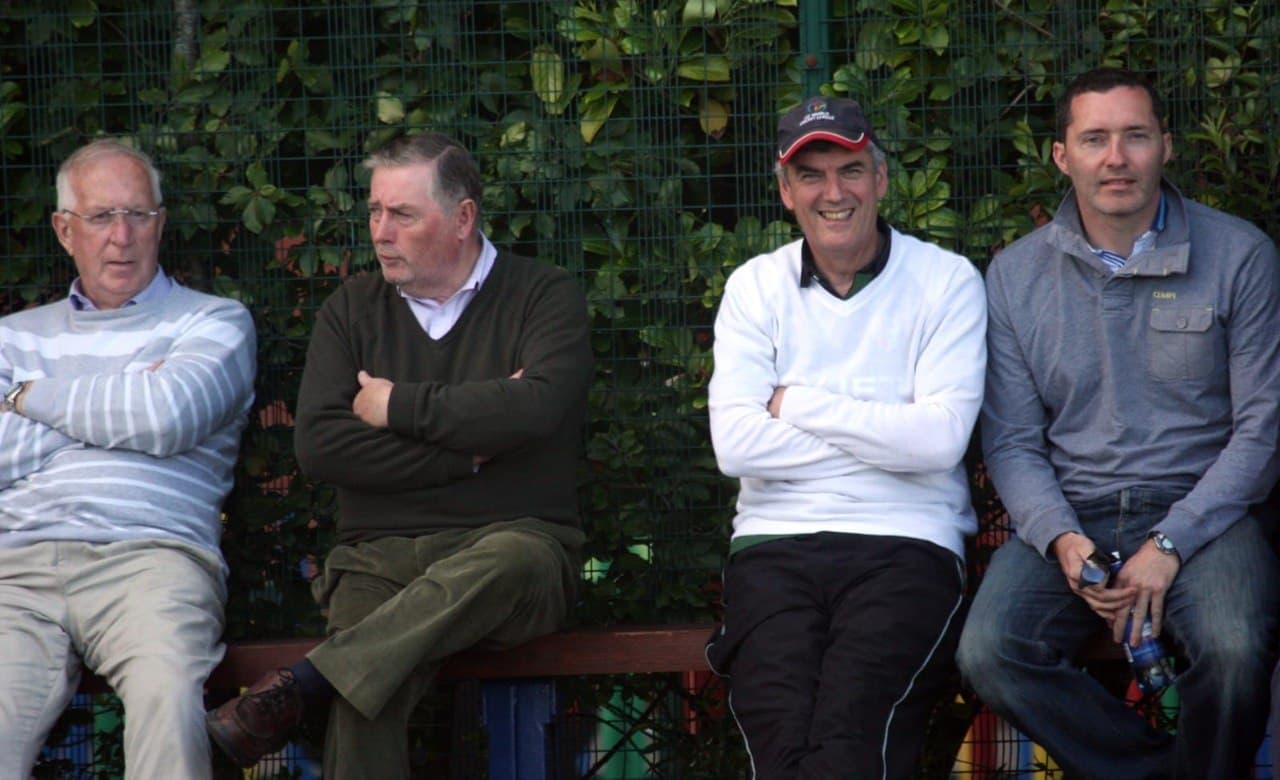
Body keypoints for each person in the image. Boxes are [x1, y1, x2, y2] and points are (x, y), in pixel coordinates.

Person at [205, 131, 592, 777]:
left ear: (463, 217)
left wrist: (396, 408)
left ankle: (306, 683)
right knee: (366, 695)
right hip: (375, 560)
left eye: (403, 215)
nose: (381, 232)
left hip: (515, 553)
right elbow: (322, 447)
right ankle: (323, 682)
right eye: (376, 212)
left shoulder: (544, 295)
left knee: (510, 559)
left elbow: (538, 410)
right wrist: (466, 455)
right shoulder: (351, 310)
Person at [957, 67, 1280, 778]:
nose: (1116, 157)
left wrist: (1170, 541)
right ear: (1061, 156)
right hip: (1076, 518)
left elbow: (1262, 432)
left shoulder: (1241, 256)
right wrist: (1063, 540)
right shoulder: (1013, 278)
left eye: (1135, 136)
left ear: (1166, 145)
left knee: (1232, 649)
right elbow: (1010, 440)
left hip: (1207, 521)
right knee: (990, 652)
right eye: (1095, 138)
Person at [704, 97, 987, 779]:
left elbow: (941, 443)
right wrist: (888, 427)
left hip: (908, 546)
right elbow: (735, 446)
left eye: (851, 170)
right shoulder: (754, 287)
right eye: (812, 175)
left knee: (850, 746)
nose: (835, 192)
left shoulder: (947, 282)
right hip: (774, 548)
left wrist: (794, 402)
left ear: (881, 180)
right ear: (784, 191)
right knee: (782, 747)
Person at [0, 139, 256, 778]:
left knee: (168, 702)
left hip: (154, 559)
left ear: (160, 223)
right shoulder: (12, 337)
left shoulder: (216, 322)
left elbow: (166, 417)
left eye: (138, 215)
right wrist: (126, 400)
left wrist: (28, 398)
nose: (121, 237)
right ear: (64, 229)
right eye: (101, 217)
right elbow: (143, 416)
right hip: (16, 571)